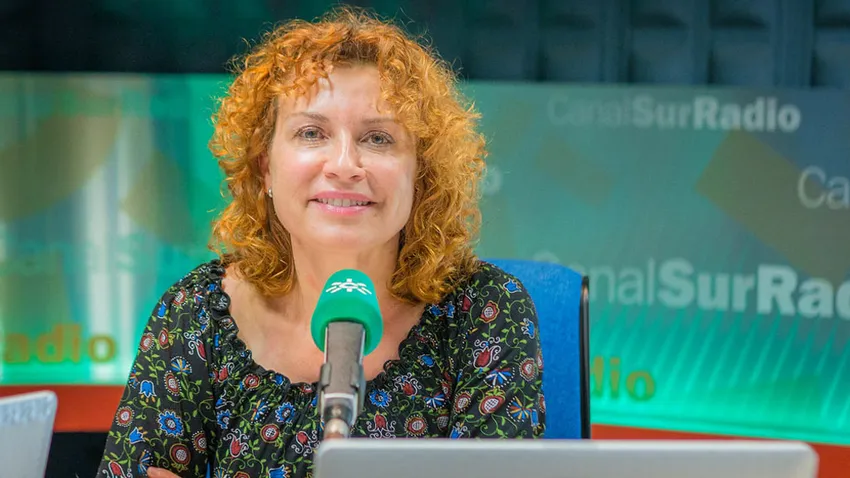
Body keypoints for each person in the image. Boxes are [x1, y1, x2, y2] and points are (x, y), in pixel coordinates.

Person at [97, 6, 545, 478]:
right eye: (312, 133)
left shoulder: (485, 311)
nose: (345, 165)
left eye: (378, 138)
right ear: (266, 168)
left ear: (421, 174)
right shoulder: (198, 312)